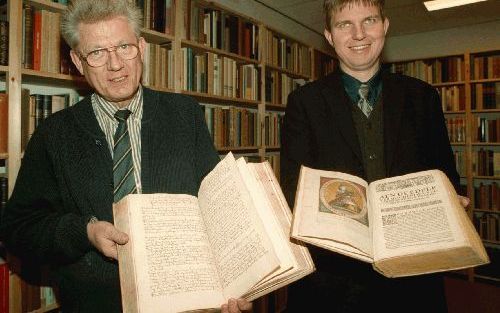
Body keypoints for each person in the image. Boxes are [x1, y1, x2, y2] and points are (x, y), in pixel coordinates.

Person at [0, 1, 251, 312]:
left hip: (190, 303)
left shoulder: (185, 115)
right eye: (97, 53)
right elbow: (18, 229)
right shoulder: (53, 135)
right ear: (78, 62)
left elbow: (217, 205)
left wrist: (236, 281)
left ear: (142, 48)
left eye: (124, 47)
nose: (115, 64)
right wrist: (84, 232)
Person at [281, 0, 468, 312]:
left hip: (413, 278)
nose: (359, 34)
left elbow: (447, 176)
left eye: (369, 21)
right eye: (345, 25)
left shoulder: (423, 97)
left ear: (385, 26)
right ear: (329, 35)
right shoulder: (304, 103)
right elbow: (294, 188)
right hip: (331, 283)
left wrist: (450, 200)